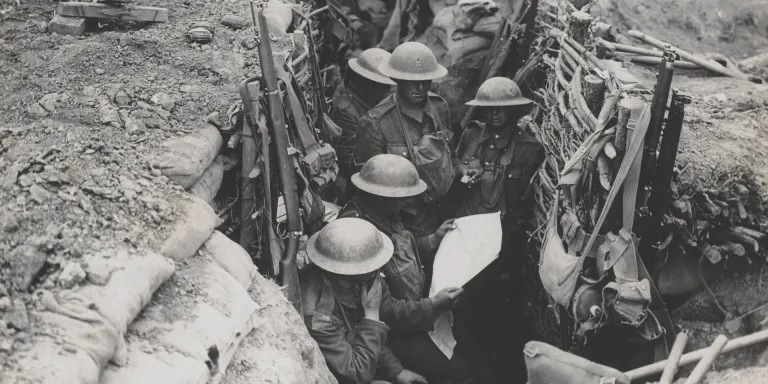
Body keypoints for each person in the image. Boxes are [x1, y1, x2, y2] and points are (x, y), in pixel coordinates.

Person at [339, 153, 489, 384]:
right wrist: (434, 305)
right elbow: (383, 311)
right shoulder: (358, 235)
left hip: (415, 315)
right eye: (399, 197)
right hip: (393, 334)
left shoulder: (384, 214)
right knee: (459, 371)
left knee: (473, 346)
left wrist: (431, 240)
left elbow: (402, 248)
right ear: (379, 196)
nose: (406, 203)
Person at [453, 77, 545, 382]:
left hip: (502, 243)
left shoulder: (528, 149)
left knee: (497, 310)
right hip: (466, 234)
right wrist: (463, 173)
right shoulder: (471, 137)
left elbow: (526, 204)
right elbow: (453, 167)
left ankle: (497, 366)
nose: (494, 114)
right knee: (463, 303)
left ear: (515, 111)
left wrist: (508, 244)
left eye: (502, 108)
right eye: (489, 109)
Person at [301, 217, 464, 384]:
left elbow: (388, 309)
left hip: (363, 358)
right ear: (350, 270)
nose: (379, 269)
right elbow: (356, 373)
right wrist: (371, 315)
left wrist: (396, 370)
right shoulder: (319, 314)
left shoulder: (358, 278)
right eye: (372, 265)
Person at [354, 42, 455, 238]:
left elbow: (450, 157)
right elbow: (368, 189)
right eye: (411, 81)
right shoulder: (376, 124)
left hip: (440, 211)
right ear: (397, 79)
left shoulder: (439, 108)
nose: (420, 88)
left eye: (425, 81)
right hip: (402, 222)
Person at [331, 48, 395, 200]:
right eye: (383, 86)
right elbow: (347, 162)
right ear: (369, 84)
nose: (386, 91)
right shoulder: (347, 111)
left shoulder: (365, 104)